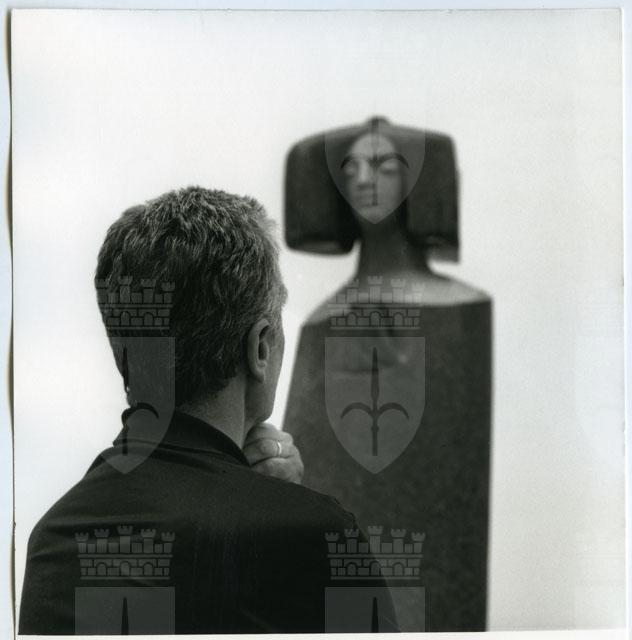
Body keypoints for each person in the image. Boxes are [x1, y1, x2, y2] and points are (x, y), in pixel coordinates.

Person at [18, 186, 397, 634]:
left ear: (123, 353)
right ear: (260, 348)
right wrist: (283, 507)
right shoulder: (313, 537)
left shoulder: (54, 538)